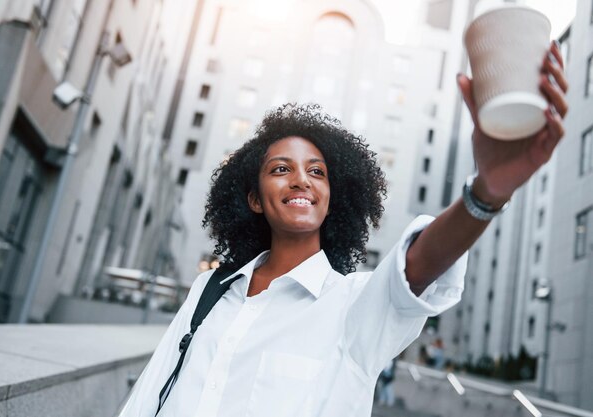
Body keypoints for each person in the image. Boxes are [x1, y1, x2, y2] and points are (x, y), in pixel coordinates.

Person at [118, 41, 568, 417]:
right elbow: (148, 398)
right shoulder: (208, 291)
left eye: (317, 172)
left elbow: (416, 266)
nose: (301, 180)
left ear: (333, 198)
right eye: (280, 169)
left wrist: (485, 192)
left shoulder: (354, 308)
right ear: (254, 198)